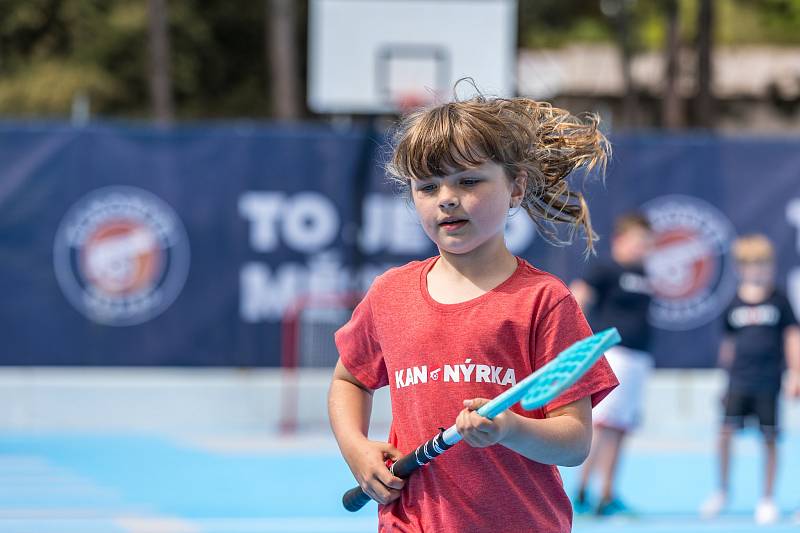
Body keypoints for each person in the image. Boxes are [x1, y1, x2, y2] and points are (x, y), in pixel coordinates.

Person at [327, 92, 619, 533]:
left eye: (468, 181)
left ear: (516, 186)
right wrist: (356, 447)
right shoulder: (390, 294)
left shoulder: (544, 301)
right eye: (427, 187)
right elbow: (349, 379)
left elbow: (575, 442)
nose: (446, 198)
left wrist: (510, 429)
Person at [699, 234, 800, 525]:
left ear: (772, 265)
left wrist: (795, 373)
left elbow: (792, 337)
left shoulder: (779, 300)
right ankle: (722, 490)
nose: (758, 270)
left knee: (769, 438)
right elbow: (728, 346)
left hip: (768, 382)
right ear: (739, 268)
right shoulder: (733, 302)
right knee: (725, 434)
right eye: (751, 264)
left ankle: (767, 498)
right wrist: (723, 380)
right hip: (737, 382)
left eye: (763, 264)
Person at [570, 212, 655, 516]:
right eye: (638, 242)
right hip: (613, 357)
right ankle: (581, 490)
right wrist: (577, 342)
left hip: (639, 359)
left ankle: (607, 493)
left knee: (620, 428)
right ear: (621, 240)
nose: (643, 249)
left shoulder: (646, 275)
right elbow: (575, 299)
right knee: (601, 426)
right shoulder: (605, 270)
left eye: (647, 244)